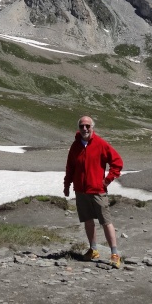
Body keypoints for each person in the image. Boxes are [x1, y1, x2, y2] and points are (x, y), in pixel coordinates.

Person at [64, 115, 124, 269]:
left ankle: (115, 254)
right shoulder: (75, 146)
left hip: (97, 191)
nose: (84, 128)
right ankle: (93, 250)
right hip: (81, 191)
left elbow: (117, 163)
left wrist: (107, 180)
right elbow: (70, 168)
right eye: (82, 126)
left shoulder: (101, 144)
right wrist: (67, 185)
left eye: (87, 126)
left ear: (92, 128)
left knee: (106, 221)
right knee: (88, 221)